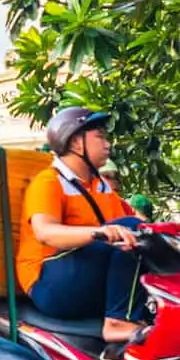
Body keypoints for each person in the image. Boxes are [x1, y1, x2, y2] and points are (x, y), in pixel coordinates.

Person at [18, 108, 147, 345]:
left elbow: (140, 226)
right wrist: (99, 233)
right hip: (49, 283)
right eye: (100, 136)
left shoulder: (100, 186)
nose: (108, 144)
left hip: (84, 277)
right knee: (130, 229)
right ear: (77, 142)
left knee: (143, 236)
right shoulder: (48, 181)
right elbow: (45, 232)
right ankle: (119, 321)